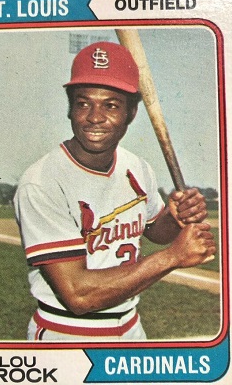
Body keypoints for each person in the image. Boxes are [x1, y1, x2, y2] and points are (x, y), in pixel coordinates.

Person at [14, 41, 216, 341]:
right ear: (70, 109)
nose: (95, 117)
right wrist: (171, 258)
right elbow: (78, 296)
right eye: (83, 103)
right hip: (67, 333)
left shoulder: (137, 167)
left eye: (111, 104)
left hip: (131, 327)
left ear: (131, 113)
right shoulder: (42, 182)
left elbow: (156, 231)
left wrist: (176, 218)